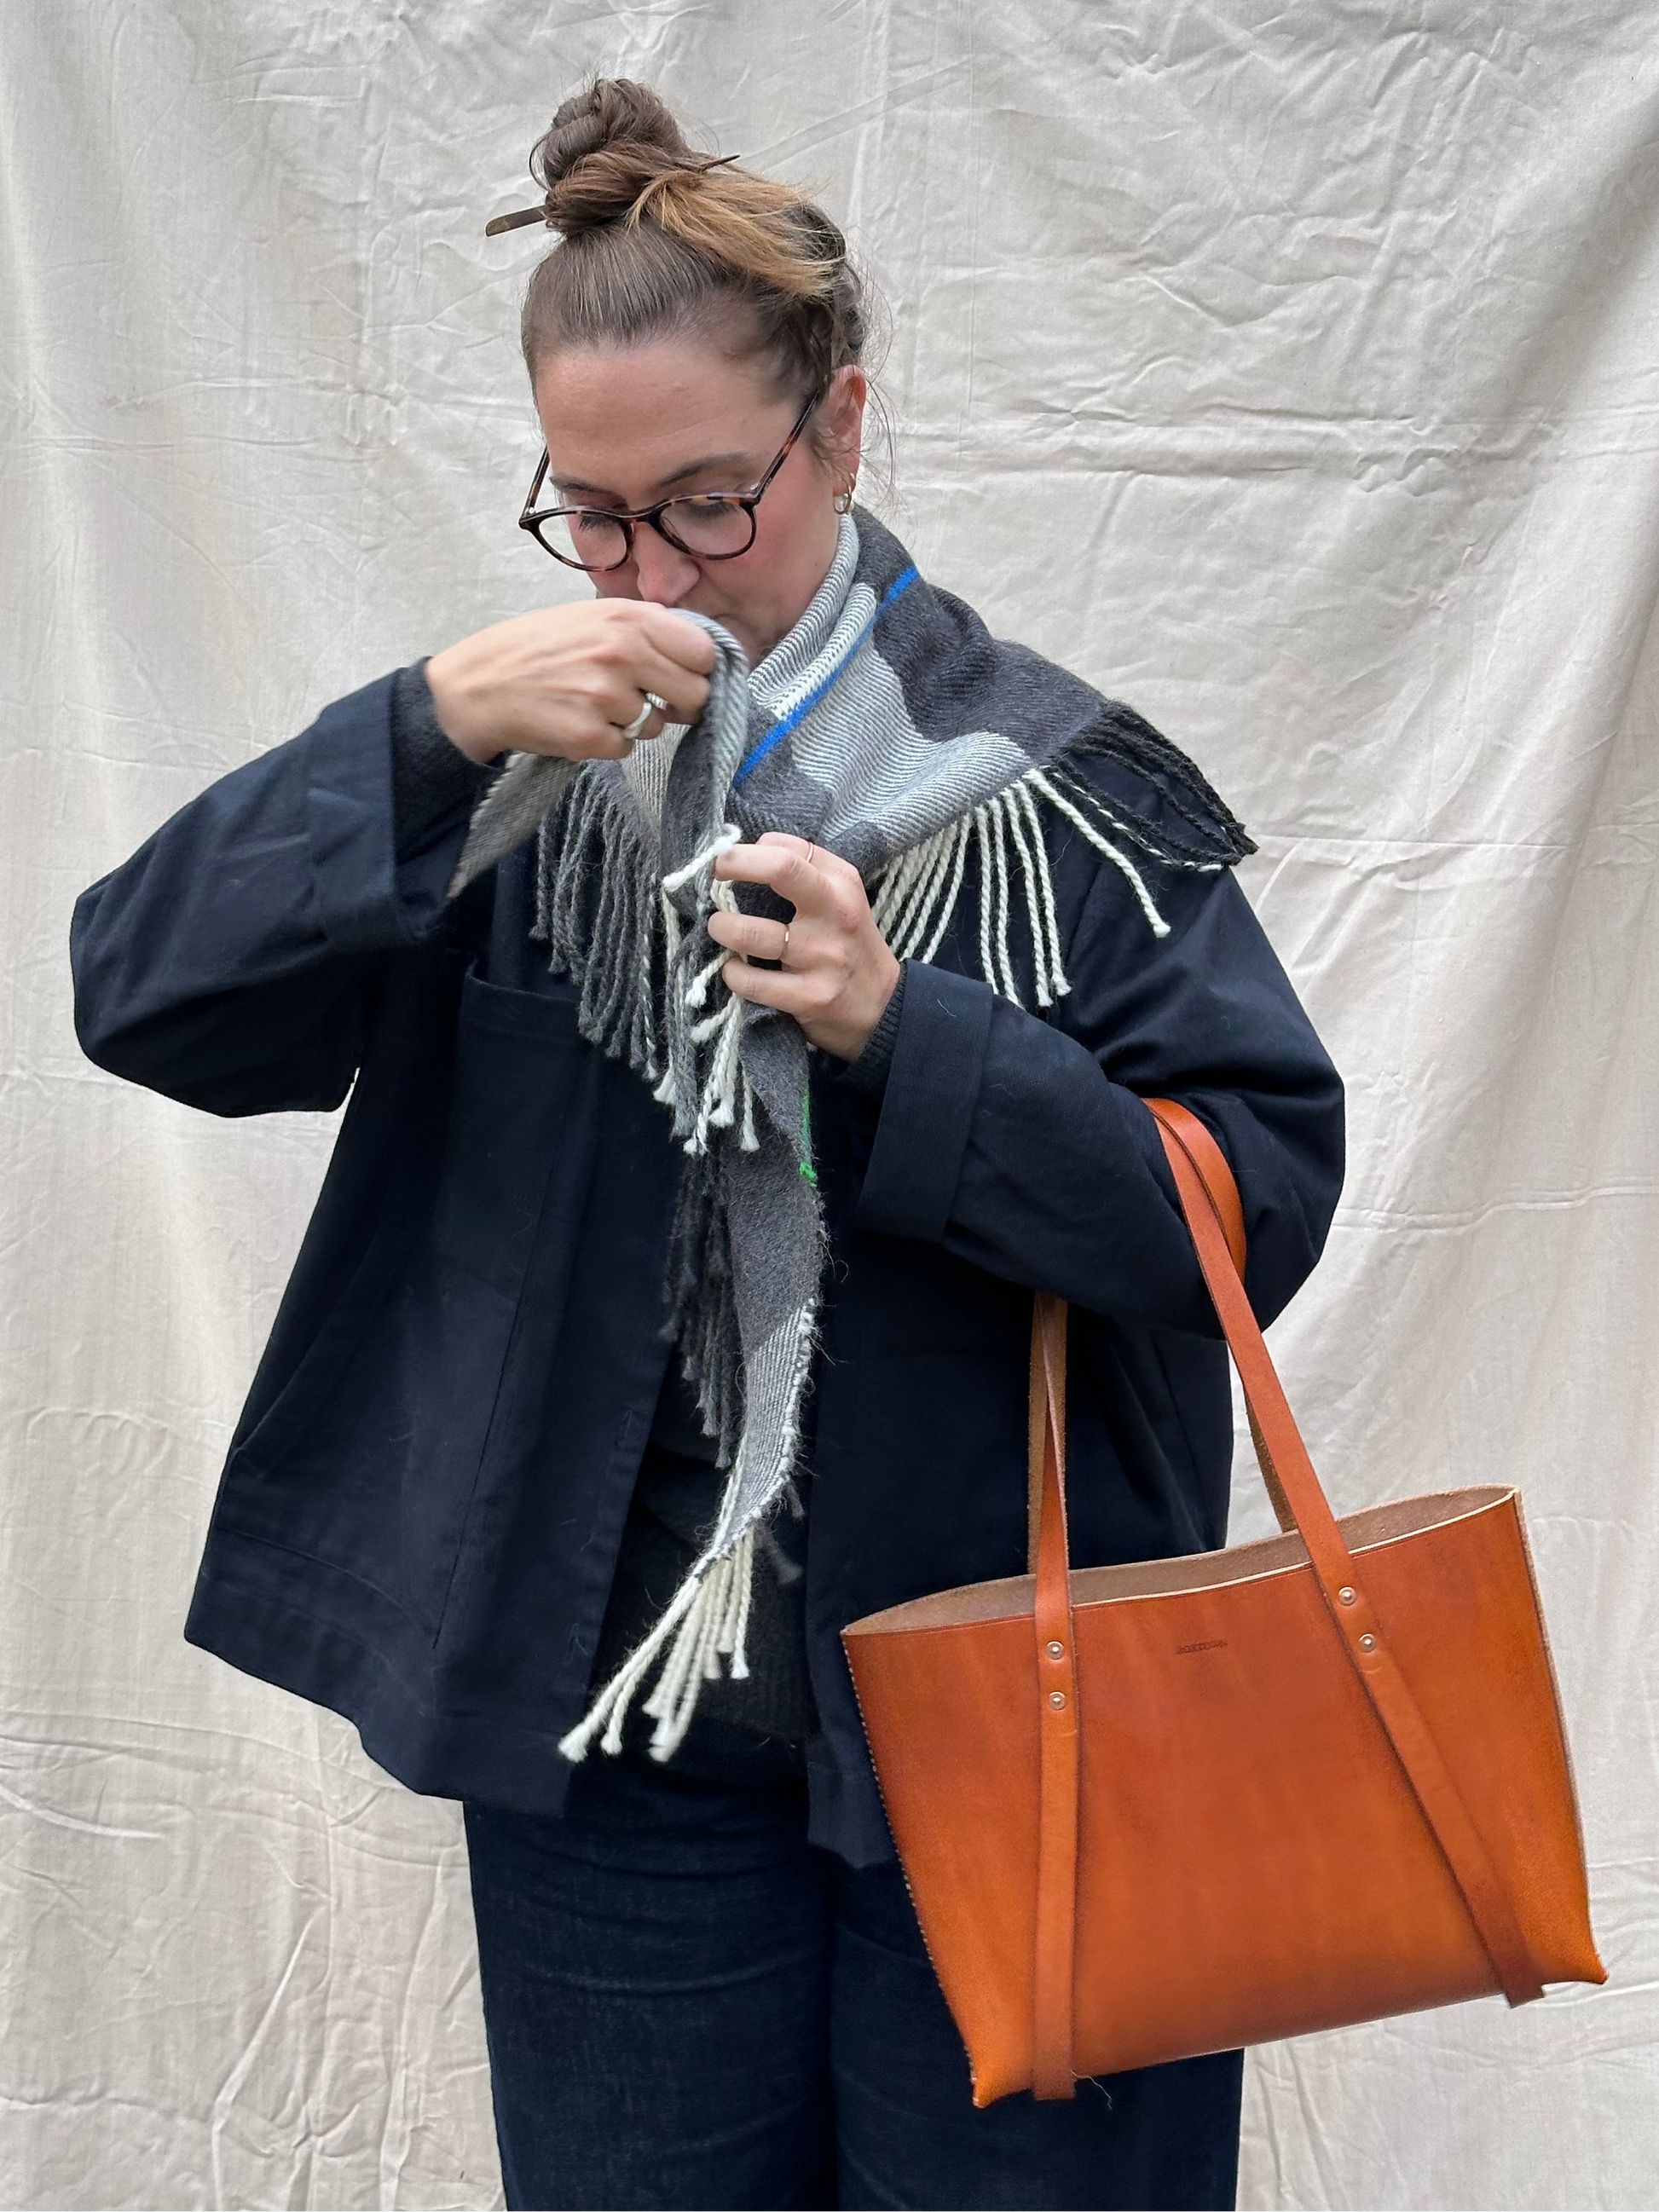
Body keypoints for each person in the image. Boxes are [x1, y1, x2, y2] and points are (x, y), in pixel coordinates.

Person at [70, 77, 1343, 2212]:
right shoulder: (506, 795)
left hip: (1026, 1735)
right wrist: (423, 727)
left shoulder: (1055, 795)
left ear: (838, 427)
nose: (649, 570)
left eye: (707, 503)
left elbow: (1250, 1211)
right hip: (616, 1751)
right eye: (590, 513)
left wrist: (902, 1031)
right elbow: (143, 989)